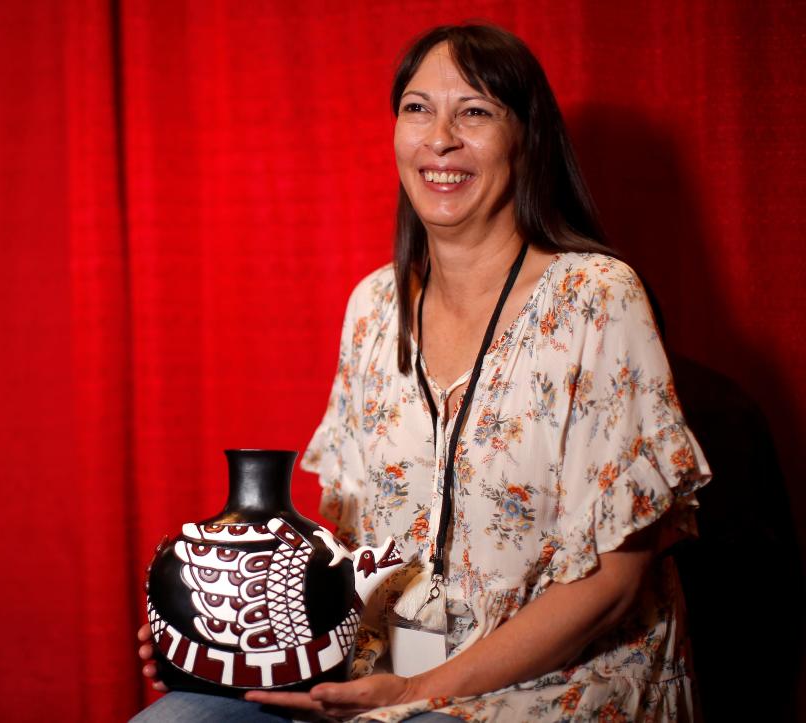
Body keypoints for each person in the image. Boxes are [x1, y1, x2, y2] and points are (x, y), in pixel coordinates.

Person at [133, 23, 711, 722]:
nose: (440, 138)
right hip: (380, 677)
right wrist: (219, 629)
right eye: (417, 108)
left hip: (553, 685)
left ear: (527, 138)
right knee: (177, 717)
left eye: (475, 111)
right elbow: (352, 555)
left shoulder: (597, 297)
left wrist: (419, 693)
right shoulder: (374, 306)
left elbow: (614, 587)